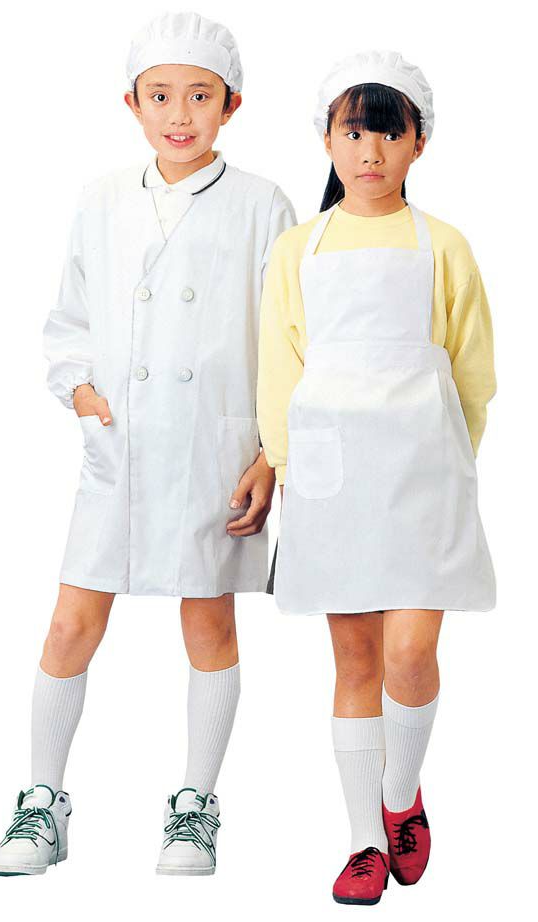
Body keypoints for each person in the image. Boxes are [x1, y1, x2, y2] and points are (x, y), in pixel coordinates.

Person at [0, 10, 295, 878]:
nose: (179, 113)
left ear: (231, 106)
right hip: (120, 447)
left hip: (213, 449)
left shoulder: (263, 205)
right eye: (160, 95)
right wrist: (82, 392)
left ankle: (195, 806)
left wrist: (269, 455)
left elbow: (286, 339)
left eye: (199, 95)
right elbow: (70, 319)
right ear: (131, 103)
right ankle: (43, 801)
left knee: (209, 620)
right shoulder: (101, 199)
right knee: (69, 623)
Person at [258, 50, 495, 905]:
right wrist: (291, 466)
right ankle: (364, 838)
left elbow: (473, 371)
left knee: (411, 650)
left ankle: (402, 796)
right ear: (326, 139)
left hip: (424, 474)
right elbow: (278, 369)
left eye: (389, 134)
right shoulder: (297, 249)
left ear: (418, 143)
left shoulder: (446, 245)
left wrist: (450, 457)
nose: (370, 152)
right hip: (331, 479)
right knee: (357, 660)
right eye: (354, 133)